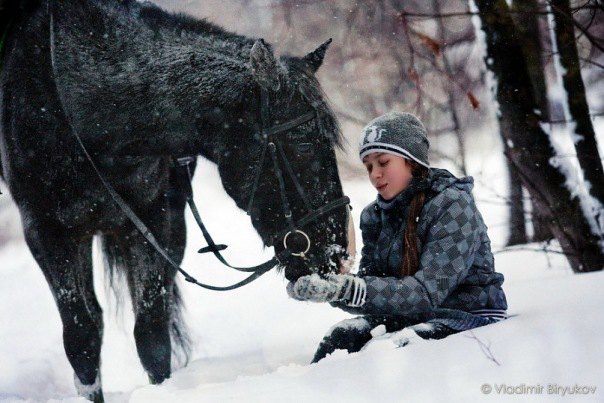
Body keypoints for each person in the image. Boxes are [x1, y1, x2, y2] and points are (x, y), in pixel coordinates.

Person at [287, 112, 508, 363]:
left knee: (399, 347)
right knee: (342, 337)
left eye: (383, 162)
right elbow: (374, 293)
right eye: (369, 166)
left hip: (470, 315)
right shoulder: (374, 216)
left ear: (411, 161)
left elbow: (427, 292)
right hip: (412, 317)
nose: (374, 174)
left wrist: (348, 289)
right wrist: (331, 288)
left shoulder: (452, 205)